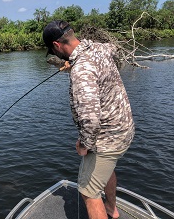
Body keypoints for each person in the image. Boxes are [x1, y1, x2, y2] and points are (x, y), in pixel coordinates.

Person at [43, 20, 135, 219]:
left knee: (88, 191)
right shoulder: (98, 48)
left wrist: (85, 144)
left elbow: (91, 119)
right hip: (124, 129)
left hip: (107, 138)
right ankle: (111, 209)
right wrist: (74, 63)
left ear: (57, 45)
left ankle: (106, 209)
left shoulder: (82, 70)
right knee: (106, 170)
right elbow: (112, 50)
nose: (55, 55)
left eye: (53, 51)